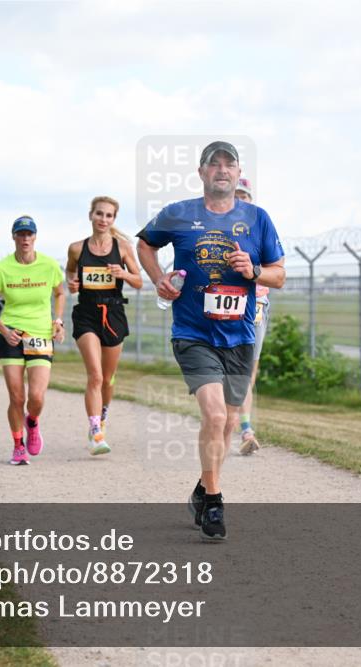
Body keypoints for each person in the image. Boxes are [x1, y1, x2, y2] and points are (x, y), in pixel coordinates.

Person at [136, 141, 285, 541]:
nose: (221, 170)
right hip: (193, 332)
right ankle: (215, 502)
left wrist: (253, 270)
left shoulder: (257, 218)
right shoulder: (179, 214)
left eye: (229, 164)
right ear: (201, 173)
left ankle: (203, 488)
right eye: (213, 164)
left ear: (238, 175)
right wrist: (158, 279)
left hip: (239, 335)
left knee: (230, 421)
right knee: (216, 416)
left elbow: (279, 275)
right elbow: (145, 244)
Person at [0, 216, 66, 465]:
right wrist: (3, 330)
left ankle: (32, 422)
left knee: (37, 397)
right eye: (20, 234)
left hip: (40, 334)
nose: (25, 239)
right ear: (13, 237)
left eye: (29, 234)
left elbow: (60, 292)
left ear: (35, 237)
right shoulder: (2, 268)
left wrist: (58, 320)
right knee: (17, 397)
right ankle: (18, 445)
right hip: (12, 335)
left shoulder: (49, 265)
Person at [65, 196, 143, 455]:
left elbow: (139, 281)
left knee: (108, 379)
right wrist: (72, 283)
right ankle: (95, 431)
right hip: (86, 314)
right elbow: (70, 273)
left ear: (113, 220)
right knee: (96, 376)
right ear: (91, 215)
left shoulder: (122, 249)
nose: (103, 219)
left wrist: (123, 274)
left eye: (109, 216)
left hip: (114, 314)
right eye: (99, 214)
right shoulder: (77, 248)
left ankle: (103, 416)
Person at [233, 178, 268, 455]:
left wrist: (253, 270)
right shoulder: (214, 229)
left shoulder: (262, 231)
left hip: (256, 304)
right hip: (226, 306)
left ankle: (245, 428)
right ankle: (238, 425)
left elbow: (276, 270)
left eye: (245, 197)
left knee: (247, 375)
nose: (241, 201)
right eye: (236, 196)